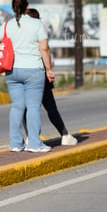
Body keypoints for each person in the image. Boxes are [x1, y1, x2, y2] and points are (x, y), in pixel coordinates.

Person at [0, 0, 54, 152]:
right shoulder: (36, 23)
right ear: (27, 7)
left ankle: (16, 144)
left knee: (17, 107)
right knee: (32, 107)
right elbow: (44, 48)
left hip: (12, 71)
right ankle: (35, 144)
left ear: (12, 8)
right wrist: (49, 69)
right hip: (33, 70)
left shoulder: (6, 26)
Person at [22, 8, 77, 146]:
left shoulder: (19, 35)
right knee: (50, 107)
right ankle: (65, 135)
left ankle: (30, 138)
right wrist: (48, 69)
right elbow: (45, 50)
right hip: (40, 74)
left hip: (23, 75)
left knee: (26, 108)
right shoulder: (39, 33)